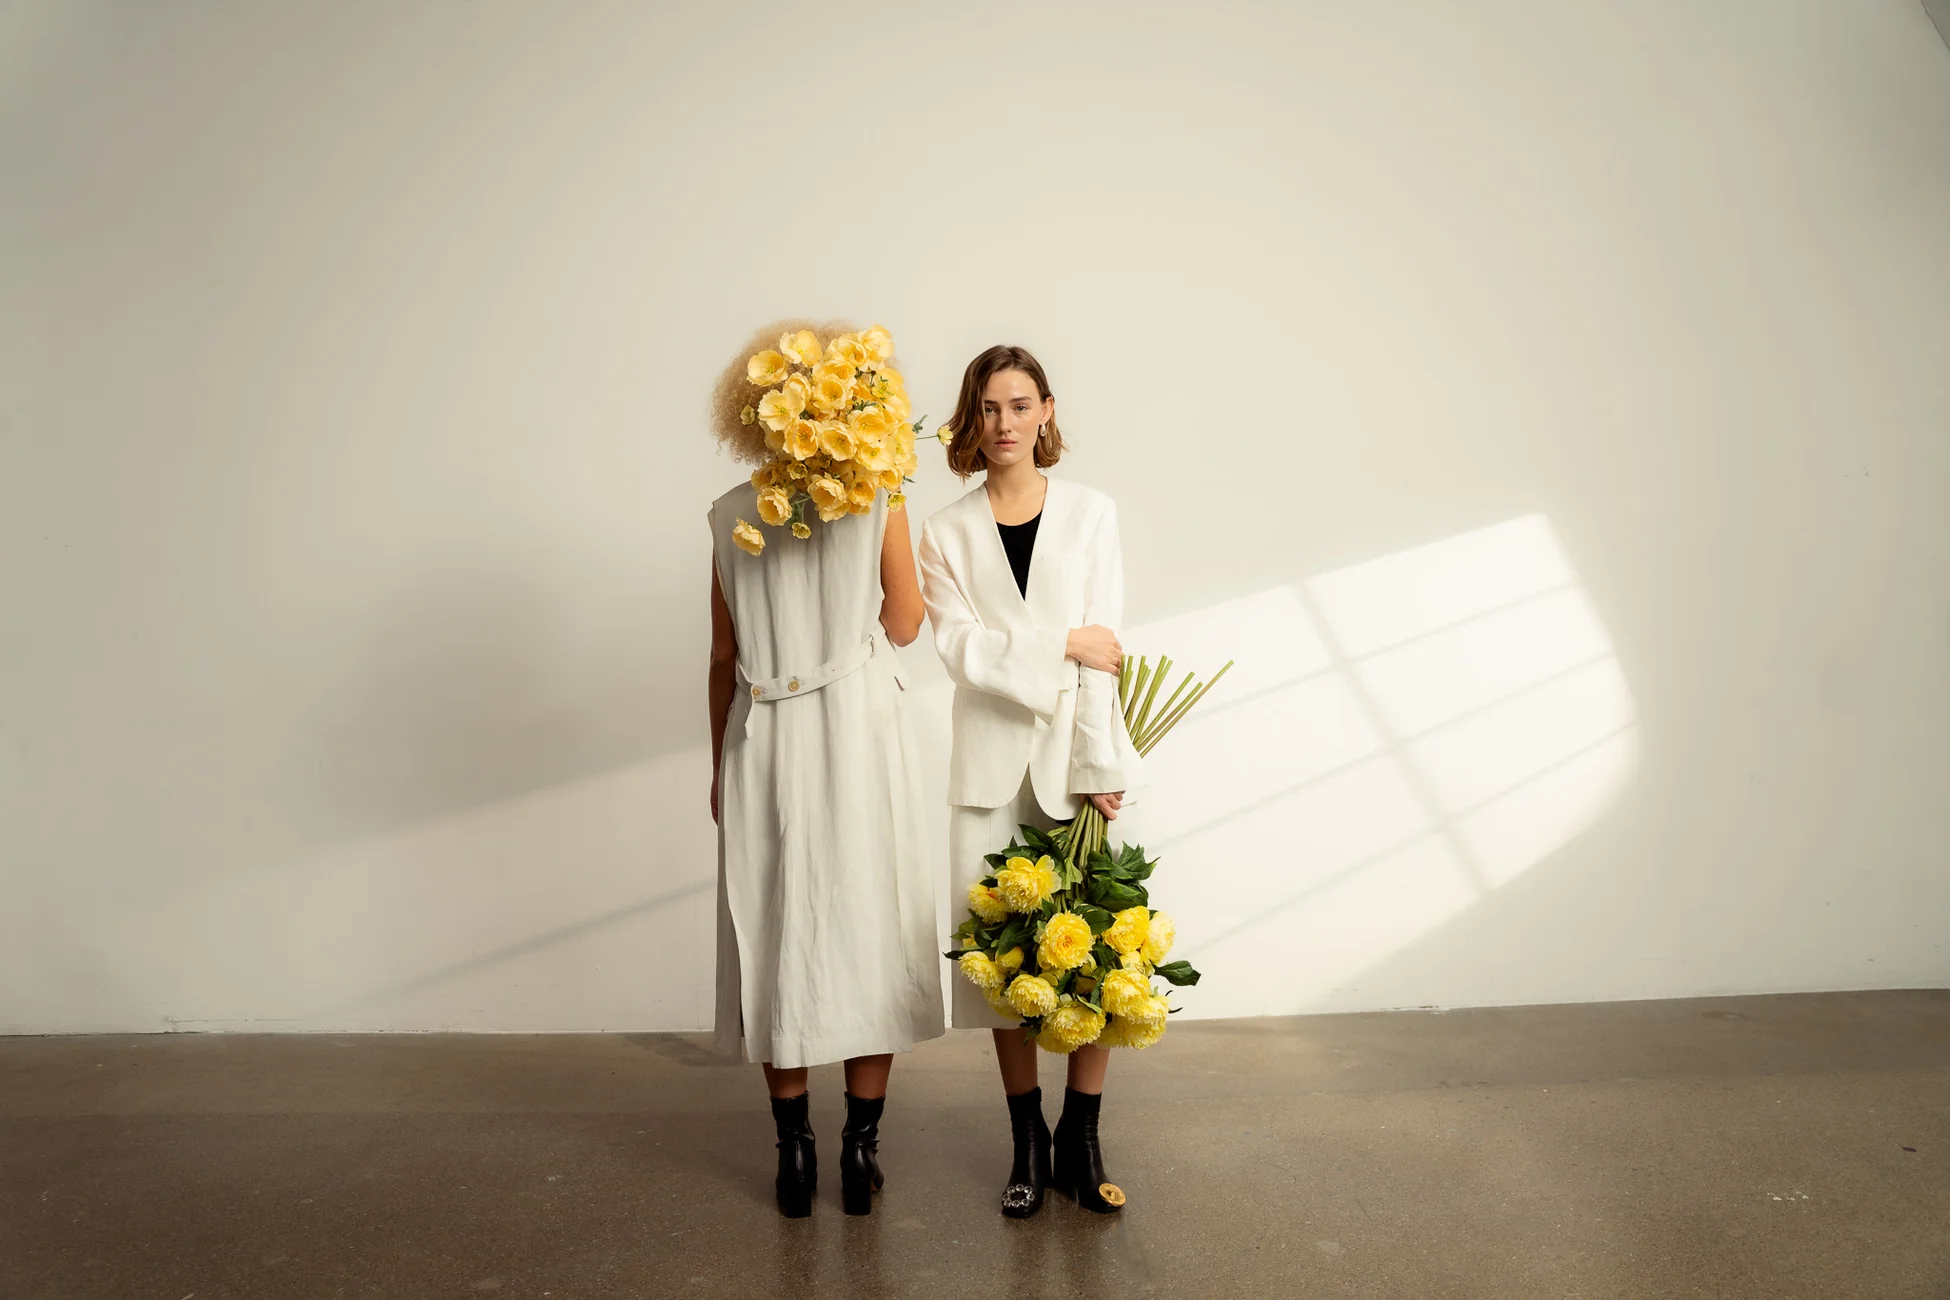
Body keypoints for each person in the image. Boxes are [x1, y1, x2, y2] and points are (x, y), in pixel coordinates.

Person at [705, 326, 944, 1218]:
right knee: (865, 927)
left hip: (761, 731)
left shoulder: (730, 510)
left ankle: (792, 1154)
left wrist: (716, 768)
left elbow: (723, 657)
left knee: (776, 931)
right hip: (858, 727)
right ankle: (860, 1150)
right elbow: (910, 622)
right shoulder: (879, 495)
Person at [916, 344, 1143, 1218]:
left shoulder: (1092, 514)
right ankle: (1027, 1140)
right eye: (987, 409)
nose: (1003, 424)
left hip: (1071, 765)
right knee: (1003, 960)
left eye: (1018, 406)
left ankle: (1082, 1142)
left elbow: (1106, 653)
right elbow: (961, 653)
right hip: (986, 770)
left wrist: (1099, 766)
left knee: (1098, 952)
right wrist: (1058, 644)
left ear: (1047, 411)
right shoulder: (944, 531)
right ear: (970, 421)